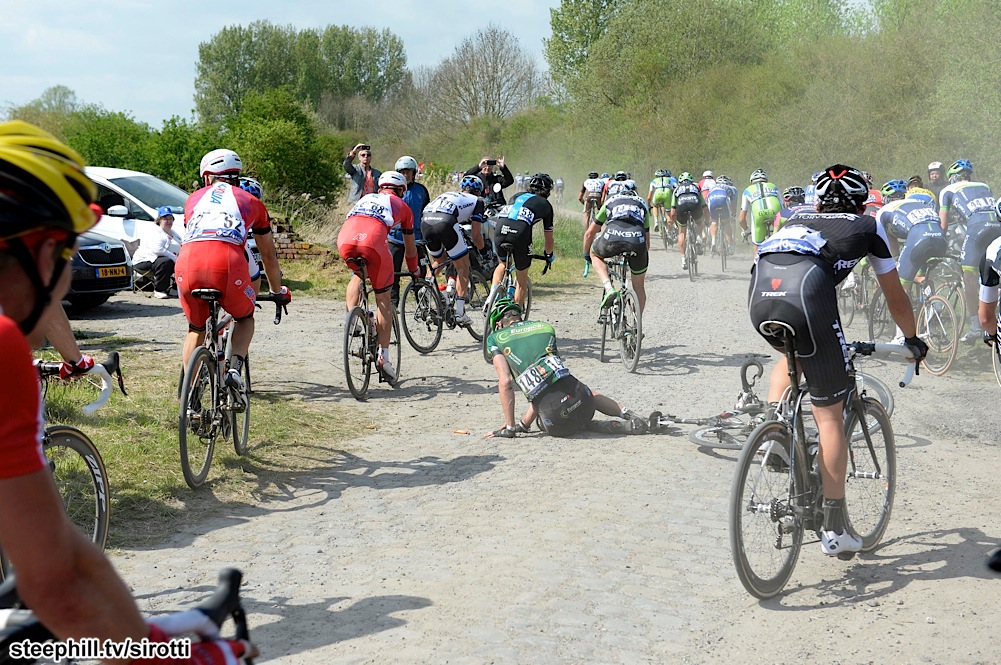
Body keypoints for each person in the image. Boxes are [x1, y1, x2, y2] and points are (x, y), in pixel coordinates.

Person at [0, 120, 254, 664]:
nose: (66, 283)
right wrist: (164, 654)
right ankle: (224, 374)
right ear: (36, 253)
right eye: (65, 256)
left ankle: (194, 389)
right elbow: (62, 580)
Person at [748, 163, 927, 557]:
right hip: (808, 295)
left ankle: (776, 431)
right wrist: (912, 338)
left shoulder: (794, 214)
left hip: (761, 295)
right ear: (862, 201)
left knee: (793, 353)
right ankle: (833, 529)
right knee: (828, 416)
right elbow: (895, 296)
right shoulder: (868, 225)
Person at [178, 149, 289, 401]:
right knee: (245, 317)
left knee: (196, 328)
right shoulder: (252, 202)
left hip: (187, 263)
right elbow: (269, 257)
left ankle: (190, 394)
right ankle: (234, 370)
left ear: (208, 176)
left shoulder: (192, 199)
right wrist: (276, 291)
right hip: (228, 264)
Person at [484, 298, 650, 438]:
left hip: (555, 419)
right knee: (585, 392)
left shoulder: (496, 338)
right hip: (584, 400)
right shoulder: (545, 327)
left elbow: (506, 382)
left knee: (552, 418)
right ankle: (632, 415)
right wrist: (524, 424)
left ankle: (597, 426)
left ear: (498, 324)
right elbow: (550, 379)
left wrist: (512, 427)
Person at [337, 171, 419, 382]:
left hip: (345, 239)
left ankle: (352, 318)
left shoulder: (366, 197)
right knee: (383, 298)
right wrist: (414, 270)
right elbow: (410, 249)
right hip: (372, 243)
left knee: (358, 273)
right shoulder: (402, 206)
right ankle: (384, 357)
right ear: (401, 190)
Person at [875, 179, 946, 342]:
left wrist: (890, 262)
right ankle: (933, 303)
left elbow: (880, 240)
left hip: (919, 238)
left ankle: (901, 336)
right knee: (922, 275)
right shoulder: (919, 205)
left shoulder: (885, 210)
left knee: (901, 285)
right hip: (940, 238)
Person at [938, 159, 1001, 341]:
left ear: (953, 178)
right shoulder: (984, 185)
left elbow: (943, 226)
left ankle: (976, 325)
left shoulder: (947, 190)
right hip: (997, 226)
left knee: (969, 275)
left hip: (977, 230)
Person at [421, 174, 487, 326]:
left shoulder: (449, 194)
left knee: (439, 260)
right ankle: (460, 313)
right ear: (479, 192)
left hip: (426, 221)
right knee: (463, 267)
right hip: (445, 222)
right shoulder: (477, 201)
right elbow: (476, 235)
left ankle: (426, 288)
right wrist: (484, 252)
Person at [487, 173, 555, 309]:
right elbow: (549, 238)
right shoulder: (546, 205)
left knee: (502, 263)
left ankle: (491, 296)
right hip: (520, 233)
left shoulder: (516, 196)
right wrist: (549, 255)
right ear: (547, 191)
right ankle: (515, 316)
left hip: (499, 229)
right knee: (521, 280)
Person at [584, 179, 650, 312]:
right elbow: (647, 242)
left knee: (594, 254)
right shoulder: (642, 204)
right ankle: (637, 325)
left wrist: (587, 255)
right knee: (639, 286)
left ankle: (608, 287)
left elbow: (589, 233)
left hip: (612, 237)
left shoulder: (610, 201)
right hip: (637, 241)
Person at [389, 156, 430, 307]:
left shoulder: (421, 190)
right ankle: (393, 303)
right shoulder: (393, 192)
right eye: (403, 172)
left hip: (417, 238)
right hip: (396, 238)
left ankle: (422, 301)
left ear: (414, 173)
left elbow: (426, 211)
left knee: (420, 271)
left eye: (409, 172)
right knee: (393, 272)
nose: (406, 175)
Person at [132, 206, 178, 298]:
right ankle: (159, 290)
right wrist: (175, 258)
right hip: (144, 261)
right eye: (165, 219)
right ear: (159, 220)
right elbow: (157, 250)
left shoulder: (173, 232)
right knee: (166, 262)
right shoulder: (154, 232)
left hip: (160, 260)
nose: (169, 221)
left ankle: (175, 288)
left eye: (170, 219)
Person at [738, 169, 781, 253]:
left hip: (758, 213)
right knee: (780, 238)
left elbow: (741, 218)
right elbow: (783, 206)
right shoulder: (773, 186)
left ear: (752, 181)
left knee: (758, 245)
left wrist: (746, 230)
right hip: (775, 210)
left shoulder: (747, 190)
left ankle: (757, 264)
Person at [670, 172, 707, 271]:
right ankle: (699, 238)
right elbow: (704, 206)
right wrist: (706, 220)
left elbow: (673, 212)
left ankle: (683, 258)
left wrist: (675, 224)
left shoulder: (677, 189)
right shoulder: (695, 188)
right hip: (694, 206)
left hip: (681, 208)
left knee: (682, 233)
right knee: (699, 222)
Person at [706, 174, 739, 255]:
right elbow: (733, 204)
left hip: (712, 201)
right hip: (723, 201)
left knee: (714, 221)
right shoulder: (732, 188)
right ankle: (730, 246)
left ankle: (713, 242)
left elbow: (707, 201)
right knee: (727, 222)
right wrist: (733, 215)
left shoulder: (712, 188)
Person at [646, 169, 674, 233]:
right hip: (667, 193)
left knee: (655, 206)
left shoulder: (653, 181)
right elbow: (673, 191)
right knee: (668, 215)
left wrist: (649, 205)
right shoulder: (669, 180)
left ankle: (656, 221)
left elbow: (649, 197)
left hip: (657, 193)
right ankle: (670, 232)